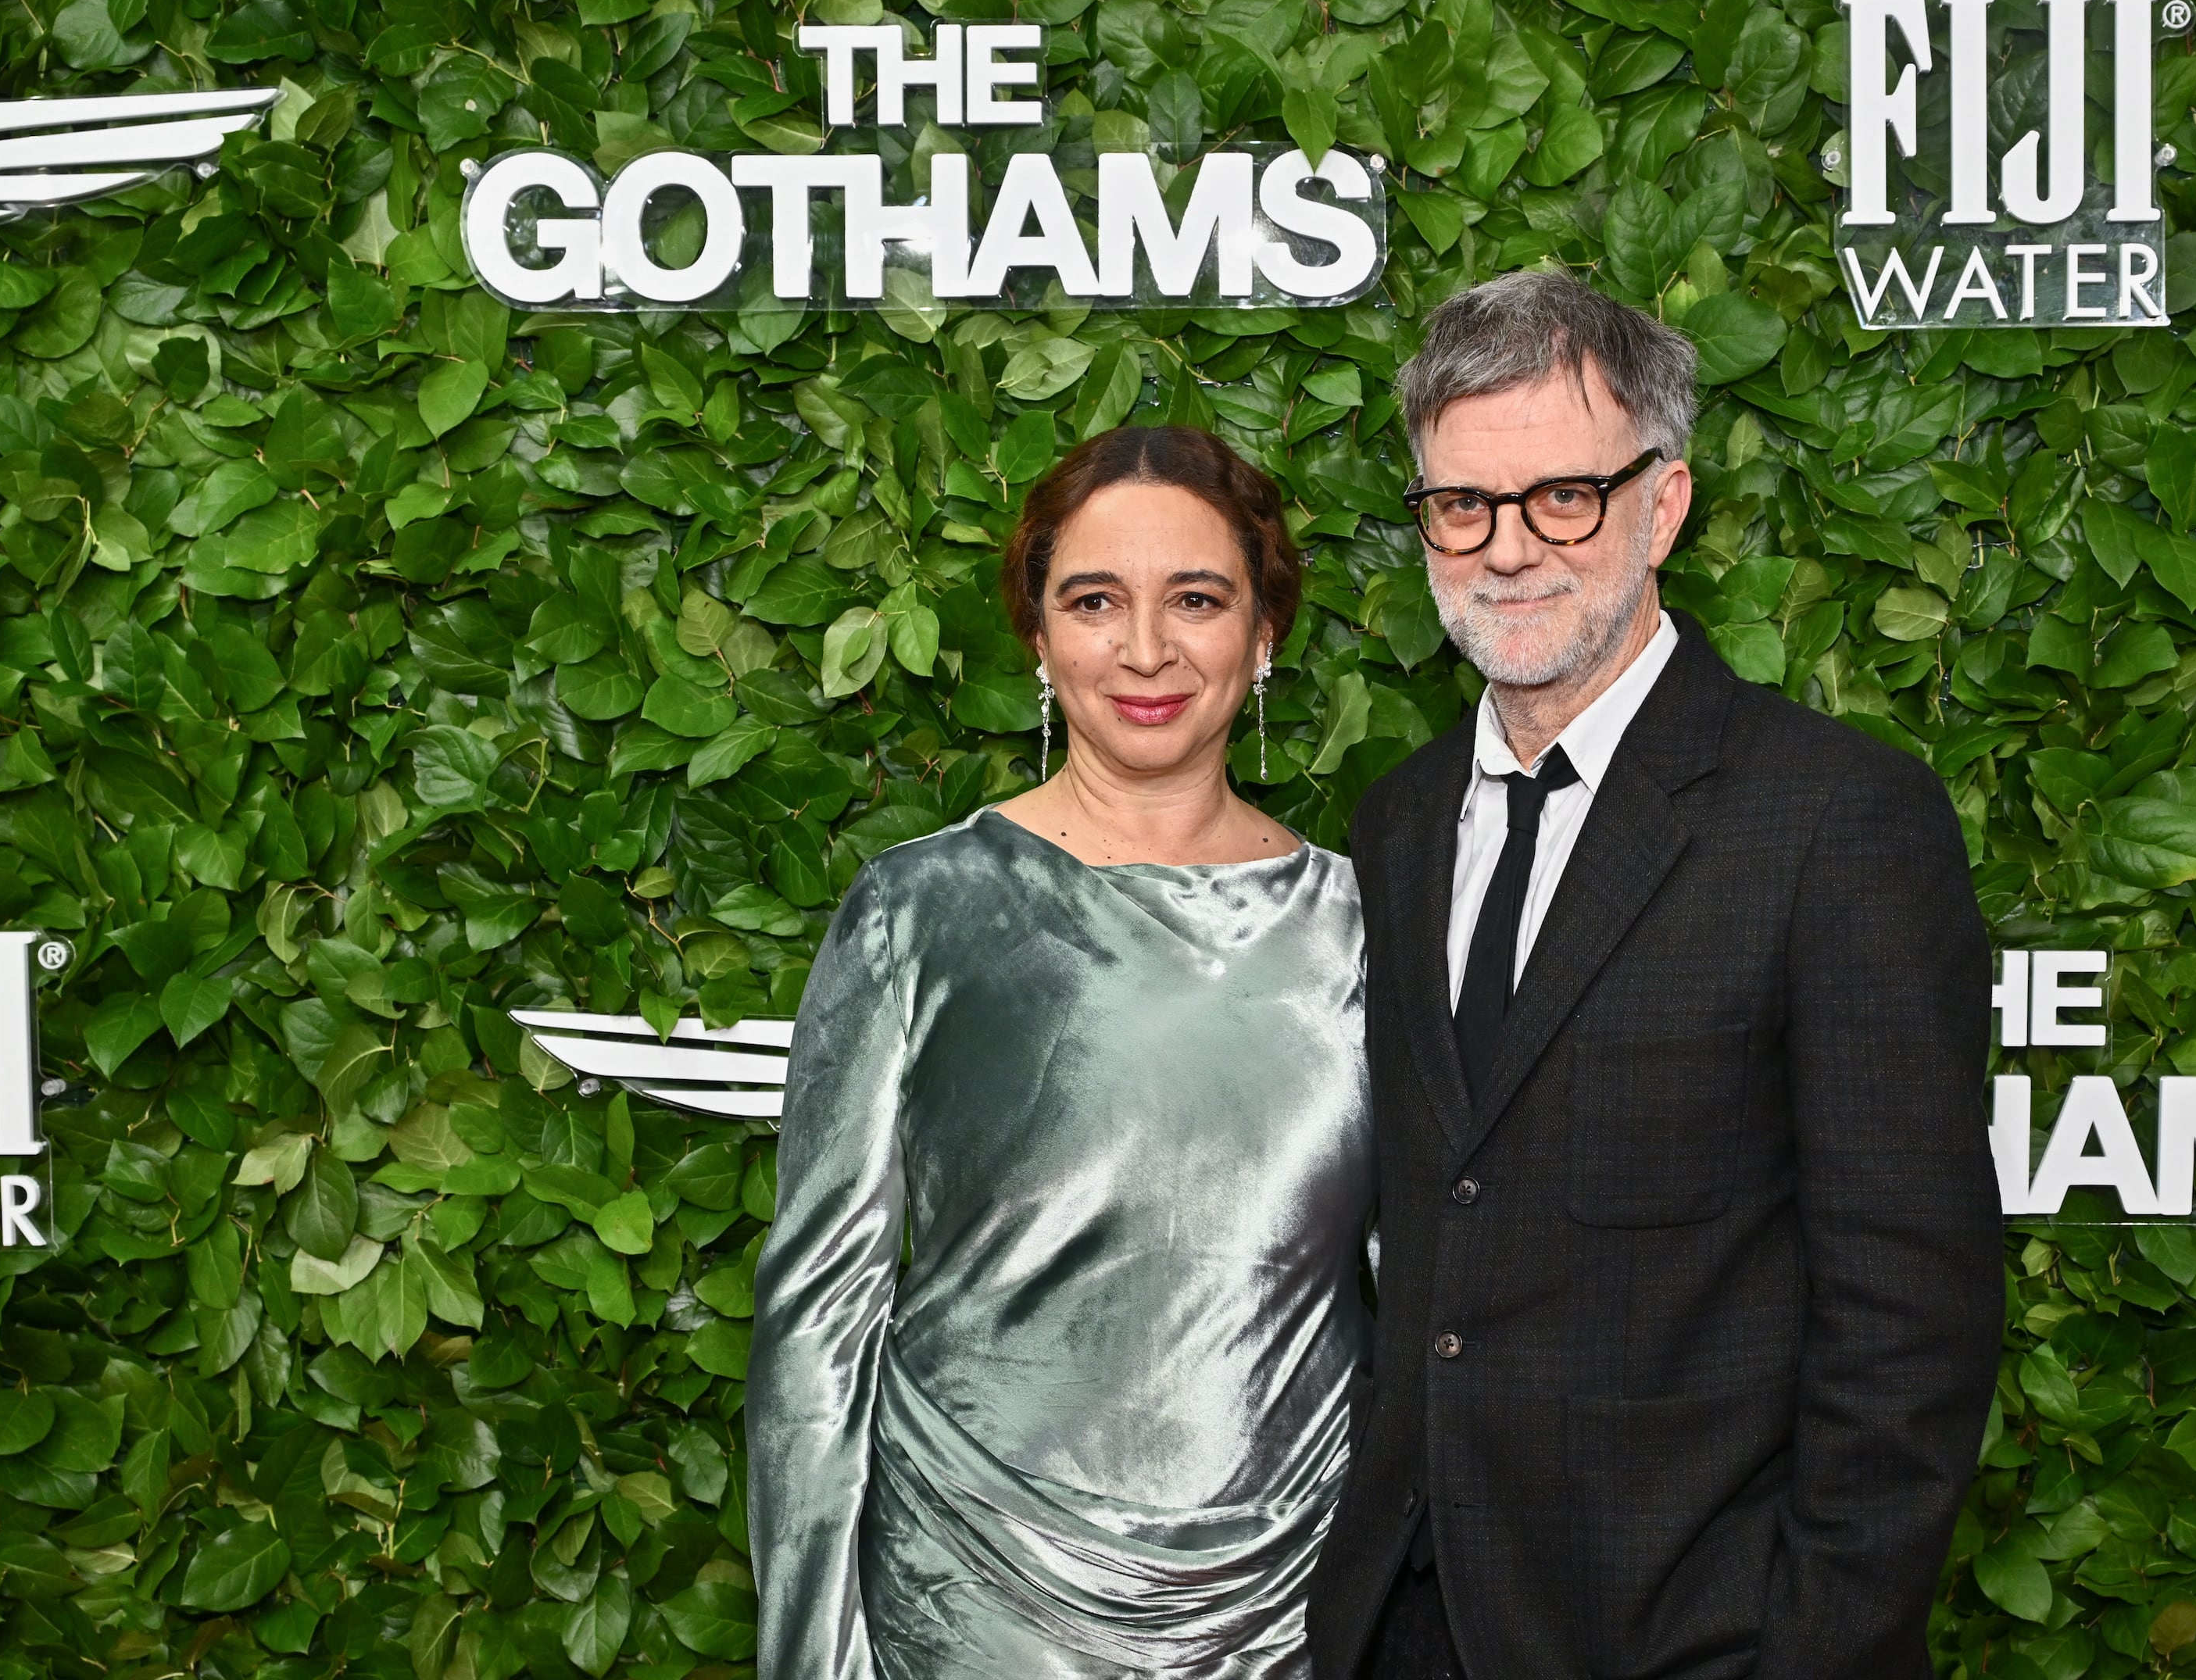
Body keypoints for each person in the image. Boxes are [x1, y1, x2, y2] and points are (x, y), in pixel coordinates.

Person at [1305, 269, 2004, 1679]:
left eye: (1564, 495)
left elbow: (1912, 1323)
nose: (1508, 549)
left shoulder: (1836, 820)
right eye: (1462, 504)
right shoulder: (1395, 822)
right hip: (1402, 1631)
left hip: (1695, 1638)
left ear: (1665, 504)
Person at [750, 425, 1372, 1679]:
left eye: (1196, 599)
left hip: (1295, 1618)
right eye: (1095, 601)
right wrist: (815, 1656)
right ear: (1037, 637)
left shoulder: (1371, 929)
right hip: (972, 1608)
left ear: (1264, 636)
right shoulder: (918, 910)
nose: (1145, 650)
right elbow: (820, 1318)